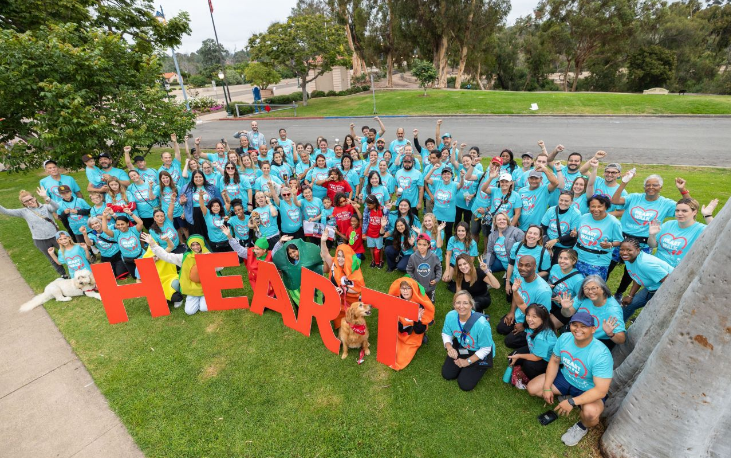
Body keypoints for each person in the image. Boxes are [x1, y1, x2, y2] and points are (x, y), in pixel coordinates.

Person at [527, 311, 613, 447]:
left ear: (593, 329)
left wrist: (572, 402)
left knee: (591, 414)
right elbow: (555, 361)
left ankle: (581, 427)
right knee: (533, 388)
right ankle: (564, 394)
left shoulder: (601, 354)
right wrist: (547, 387)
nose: (578, 329)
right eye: (575, 325)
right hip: (566, 378)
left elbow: (601, 391)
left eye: (583, 326)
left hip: (588, 388)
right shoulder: (565, 338)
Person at [610, 171, 688, 299]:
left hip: (644, 243)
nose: (651, 188)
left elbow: (688, 207)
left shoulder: (665, 203)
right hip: (622, 239)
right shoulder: (635, 197)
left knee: (631, 272)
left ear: (660, 188)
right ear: (644, 187)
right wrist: (624, 182)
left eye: (655, 185)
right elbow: (615, 200)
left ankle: (619, 293)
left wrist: (682, 190)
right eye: (648, 185)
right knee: (610, 263)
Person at [1, 188, 67, 277]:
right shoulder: (23, 212)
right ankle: (63, 275)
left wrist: (47, 198)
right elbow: (6, 211)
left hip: (55, 237)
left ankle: (77, 269)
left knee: (67, 252)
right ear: (23, 204)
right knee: (52, 258)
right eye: (26, 201)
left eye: (30, 199)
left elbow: (56, 207)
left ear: (34, 198)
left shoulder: (45, 207)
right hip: (40, 240)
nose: (29, 202)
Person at [149, 234, 217, 315]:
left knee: (204, 308)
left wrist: (210, 260)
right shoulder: (184, 257)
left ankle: (204, 298)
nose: (195, 247)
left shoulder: (208, 255)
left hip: (206, 287)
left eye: (197, 244)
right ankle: (197, 298)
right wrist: (153, 245)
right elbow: (166, 256)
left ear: (202, 244)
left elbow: (220, 267)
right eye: (193, 245)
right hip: (192, 288)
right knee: (189, 311)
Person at [441, 291, 495, 391]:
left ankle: (478, 366)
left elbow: (486, 348)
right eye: (458, 302)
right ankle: (463, 364)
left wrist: (467, 361)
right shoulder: (450, 316)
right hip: (462, 345)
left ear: (471, 305)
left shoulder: (482, 324)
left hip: (479, 351)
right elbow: (446, 334)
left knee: (465, 384)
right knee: (447, 374)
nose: (461, 306)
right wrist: (449, 348)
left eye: (465, 303)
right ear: (454, 304)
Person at [499, 255, 553, 349]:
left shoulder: (543, 291)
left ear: (535, 267)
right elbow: (516, 295)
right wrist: (512, 312)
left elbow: (543, 316)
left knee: (509, 341)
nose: (523, 268)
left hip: (533, 322)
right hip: (519, 314)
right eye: (521, 265)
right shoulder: (520, 277)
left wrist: (525, 326)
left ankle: (533, 339)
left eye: (527, 265)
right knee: (501, 328)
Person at [559, 275, 626, 349]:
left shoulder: (613, 310)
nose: (590, 292)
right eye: (586, 288)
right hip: (579, 331)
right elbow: (567, 314)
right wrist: (565, 308)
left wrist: (611, 334)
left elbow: (622, 339)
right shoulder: (583, 297)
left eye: (594, 288)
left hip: (596, 341)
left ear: (603, 288)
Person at [648, 197, 716, 268]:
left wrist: (708, 216)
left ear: (694, 212)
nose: (679, 213)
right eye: (677, 210)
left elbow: (719, 233)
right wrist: (652, 235)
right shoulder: (668, 224)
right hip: (656, 265)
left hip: (677, 270)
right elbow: (652, 245)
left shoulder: (700, 229)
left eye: (684, 211)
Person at [619, 237, 674, 321]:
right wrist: (630, 296)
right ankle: (617, 329)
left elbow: (670, 282)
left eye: (629, 250)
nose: (624, 253)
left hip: (664, 290)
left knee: (652, 316)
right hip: (650, 288)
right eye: (622, 249)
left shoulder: (645, 264)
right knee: (628, 305)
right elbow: (637, 277)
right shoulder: (628, 259)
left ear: (638, 250)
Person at [388, 278, 435, 371]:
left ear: (413, 289)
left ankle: (423, 338)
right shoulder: (396, 300)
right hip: (399, 332)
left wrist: (417, 319)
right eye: (403, 288)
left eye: (408, 288)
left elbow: (419, 330)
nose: (405, 291)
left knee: (401, 358)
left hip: (413, 334)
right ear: (399, 289)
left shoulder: (420, 306)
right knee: (389, 353)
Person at [320, 236, 365, 329]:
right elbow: (325, 254)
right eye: (338, 255)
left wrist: (343, 289)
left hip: (349, 301)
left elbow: (358, 288)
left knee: (353, 326)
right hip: (337, 300)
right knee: (342, 326)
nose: (340, 259)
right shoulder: (334, 263)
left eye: (343, 256)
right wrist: (323, 241)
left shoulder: (354, 270)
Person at [574, 194, 622, 280]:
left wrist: (610, 244)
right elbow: (578, 232)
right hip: (578, 257)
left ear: (606, 207)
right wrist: (574, 234)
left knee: (594, 288)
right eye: (593, 206)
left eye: (600, 206)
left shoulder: (614, 222)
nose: (596, 209)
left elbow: (619, 241)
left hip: (598, 262)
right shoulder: (584, 217)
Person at [507, 304, 557, 384]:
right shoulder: (532, 326)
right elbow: (521, 304)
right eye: (528, 315)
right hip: (534, 348)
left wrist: (520, 356)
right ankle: (522, 367)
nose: (530, 319)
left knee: (528, 365)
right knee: (511, 358)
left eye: (534, 317)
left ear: (543, 319)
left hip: (546, 360)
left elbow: (537, 357)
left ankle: (536, 377)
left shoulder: (542, 338)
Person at [271, 235, 324, 305]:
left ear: (299, 249)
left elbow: (318, 257)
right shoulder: (289, 263)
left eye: (294, 251)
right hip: (297, 290)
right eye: (290, 253)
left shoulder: (308, 258)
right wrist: (280, 242)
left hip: (310, 287)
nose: (293, 255)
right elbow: (275, 256)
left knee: (314, 301)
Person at [101, 207, 145, 278]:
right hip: (128, 260)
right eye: (118, 225)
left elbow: (140, 223)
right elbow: (105, 230)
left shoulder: (134, 230)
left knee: (146, 275)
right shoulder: (116, 233)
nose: (120, 226)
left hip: (140, 257)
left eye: (122, 224)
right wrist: (104, 217)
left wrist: (130, 213)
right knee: (135, 277)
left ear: (127, 224)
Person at [424, 167, 463, 243]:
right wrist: (433, 169)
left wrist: (462, 177)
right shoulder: (437, 182)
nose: (446, 176)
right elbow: (426, 179)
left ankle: (448, 251)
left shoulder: (454, 185)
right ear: (441, 175)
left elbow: (461, 185)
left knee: (448, 233)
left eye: (448, 174)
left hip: (449, 215)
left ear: (452, 175)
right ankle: (434, 247)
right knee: (435, 231)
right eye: (444, 174)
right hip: (437, 213)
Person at [542, 190, 581, 265]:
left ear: (572, 202)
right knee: (544, 265)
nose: (563, 203)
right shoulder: (551, 210)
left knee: (558, 265)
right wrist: (548, 245)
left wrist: (556, 240)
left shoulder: (576, 214)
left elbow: (571, 235)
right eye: (561, 200)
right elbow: (543, 228)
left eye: (566, 201)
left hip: (564, 245)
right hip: (548, 242)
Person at [180, 170, 221, 241]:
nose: (198, 179)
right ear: (192, 178)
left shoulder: (211, 187)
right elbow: (181, 202)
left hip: (209, 211)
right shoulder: (186, 188)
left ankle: (212, 244)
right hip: (194, 213)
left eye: (200, 177)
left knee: (209, 230)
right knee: (197, 234)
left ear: (203, 178)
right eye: (196, 177)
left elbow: (218, 199)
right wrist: (182, 201)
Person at [547, 249, 584, 326]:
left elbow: (580, 299)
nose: (562, 261)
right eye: (560, 257)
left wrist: (563, 302)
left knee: (548, 326)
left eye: (566, 259)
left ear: (573, 261)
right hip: (549, 300)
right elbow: (549, 281)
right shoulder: (555, 267)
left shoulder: (578, 280)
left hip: (565, 308)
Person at [517, 165, 559, 230]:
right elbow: (517, 207)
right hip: (521, 227)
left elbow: (555, 183)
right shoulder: (521, 191)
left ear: (541, 179)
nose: (534, 181)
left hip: (537, 228)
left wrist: (545, 170)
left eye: (536, 178)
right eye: (532, 178)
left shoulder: (545, 189)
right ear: (528, 179)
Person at [406, 233, 443, 302]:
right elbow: (409, 270)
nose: (421, 247)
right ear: (417, 244)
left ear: (428, 245)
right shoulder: (413, 257)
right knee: (418, 303)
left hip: (430, 287)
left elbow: (439, 268)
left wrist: (437, 279)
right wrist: (414, 280)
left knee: (430, 303)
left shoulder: (433, 257)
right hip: (418, 286)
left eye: (424, 245)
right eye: (419, 244)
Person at [362, 194, 387, 268]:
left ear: (374, 204)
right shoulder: (367, 210)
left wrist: (385, 230)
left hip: (379, 232)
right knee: (371, 247)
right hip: (370, 232)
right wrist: (364, 232)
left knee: (380, 247)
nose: (367, 206)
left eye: (369, 205)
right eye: (367, 204)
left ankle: (381, 260)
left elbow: (386, 220)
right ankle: (373, 260)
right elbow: (365, 221)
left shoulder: (382, 210)